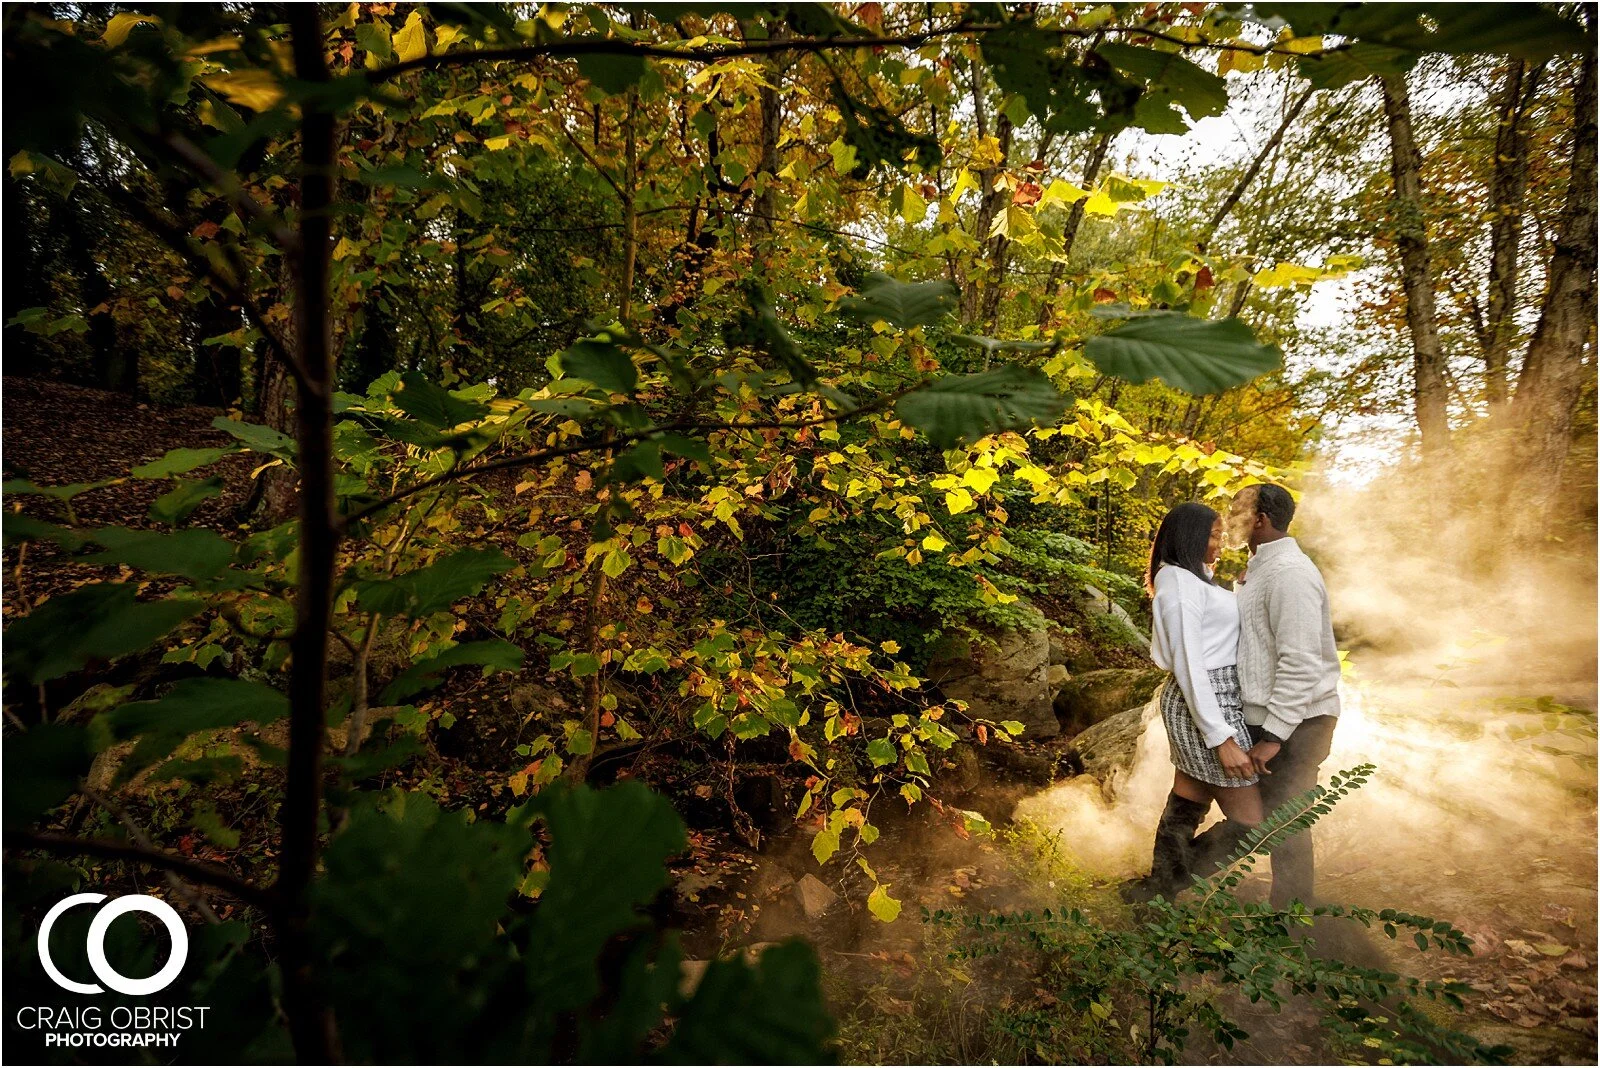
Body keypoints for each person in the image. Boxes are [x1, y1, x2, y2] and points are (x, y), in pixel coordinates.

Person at [1122, 502, 1262, 903]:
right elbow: (1189, 665)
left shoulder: (1190, 580)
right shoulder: (1178, 584)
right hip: (1205, 700)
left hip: (1214, 696)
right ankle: (1167, 885)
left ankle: (1155, 893)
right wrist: (1222, 738)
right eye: (1214, 535)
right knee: (1252, 823)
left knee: (1189, 798)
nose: (1220, 543)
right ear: (1190, 536)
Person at [1228, 482, 1342, 908]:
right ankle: (1172, 880)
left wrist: (1273, 735)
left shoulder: (1290, 574)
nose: (1230, 518)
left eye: (1238, 511)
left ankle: (1292, 925)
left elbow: (1300, 661)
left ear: (1261, 520)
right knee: (1257, 819)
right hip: (1275, 718)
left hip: (1298, 723)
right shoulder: (1262, 569)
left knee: (1286, 827)